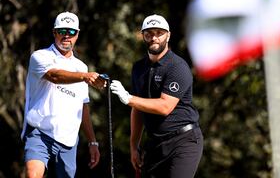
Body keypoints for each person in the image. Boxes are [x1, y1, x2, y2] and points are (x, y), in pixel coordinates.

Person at [110, 14, 203, 178]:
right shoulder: (139, 67)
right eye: (149, 33)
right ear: (143, 36)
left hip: (183, 140)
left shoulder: (177, 66)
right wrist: (134, 146)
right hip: (155, 144)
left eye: (159, 33)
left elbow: (165, 107)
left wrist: (129, 98)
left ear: (168, 35)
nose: (154, 38)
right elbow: (138, 108)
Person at [21, 11, 105, 178]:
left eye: (71, 32)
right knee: (32, 175)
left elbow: (83, 106)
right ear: (54, 33)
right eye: (62, 31)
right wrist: (84, 77)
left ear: (77, 35)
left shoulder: (81, 67)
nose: (67, 36)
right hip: (39, 132)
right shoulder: (40, 56)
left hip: (68, 140)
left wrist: (93, 142)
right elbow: (55, 76)